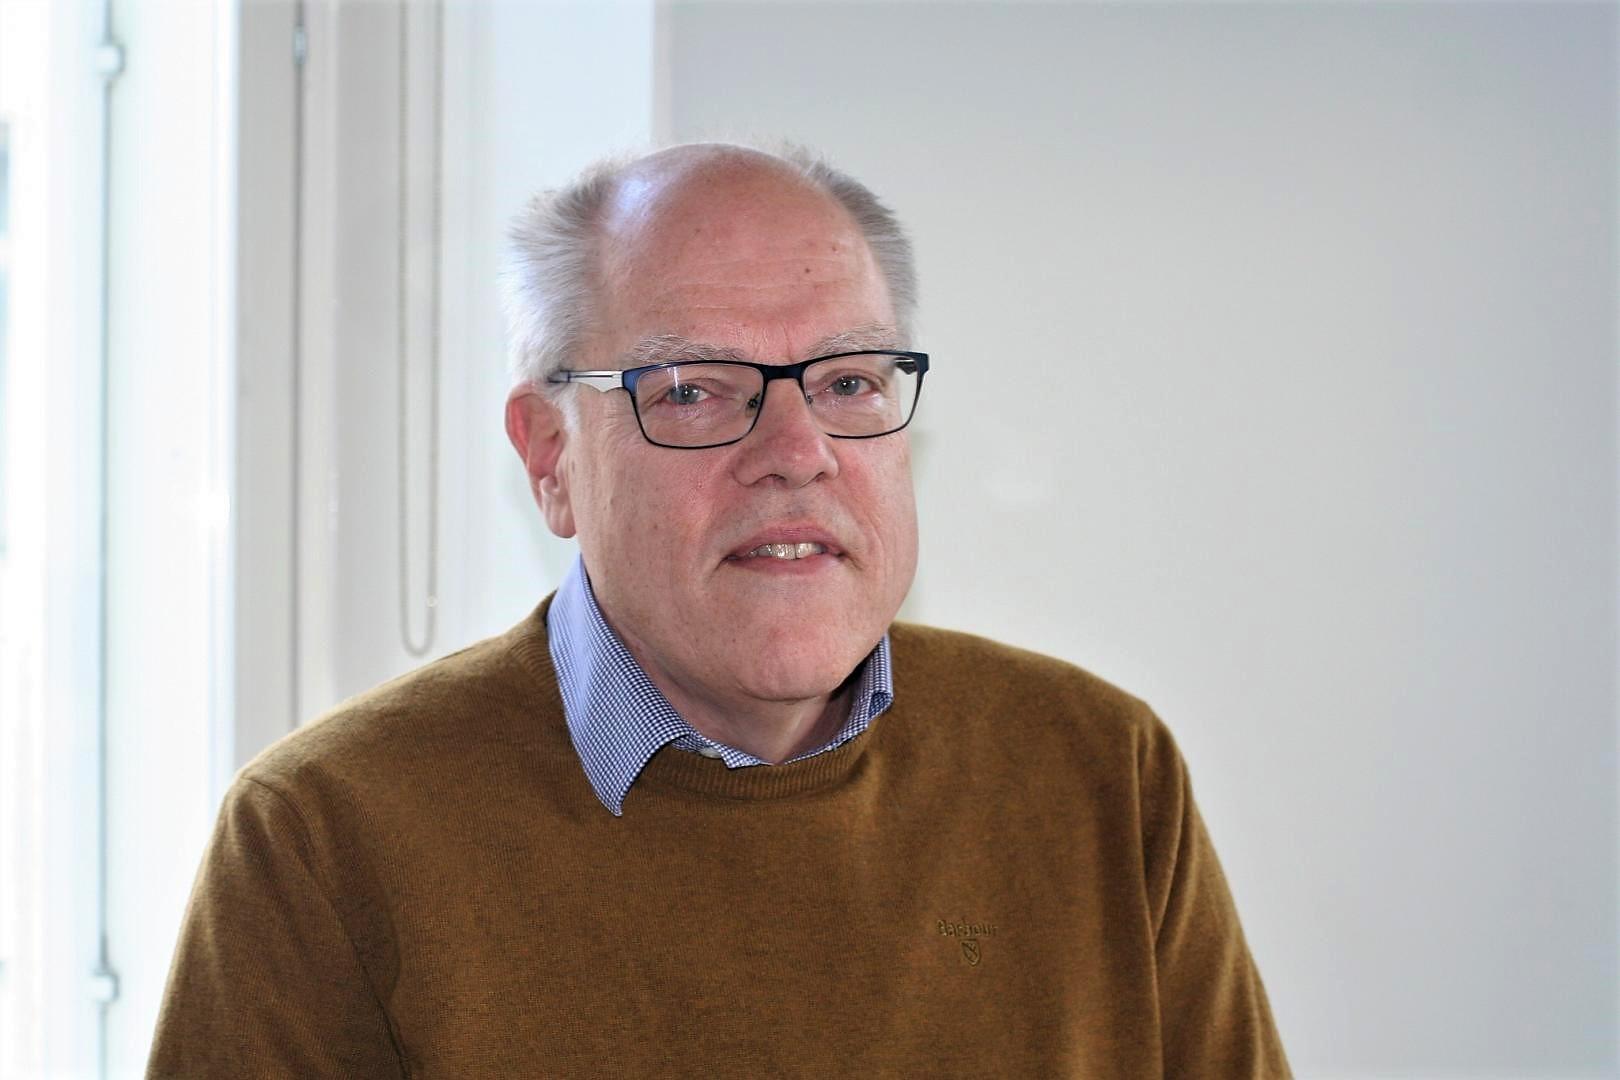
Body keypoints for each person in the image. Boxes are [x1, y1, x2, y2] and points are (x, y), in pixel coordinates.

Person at [148, 143, 1289, 1077]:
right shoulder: (323, 840)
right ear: (550, 456)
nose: (796, 451)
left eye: (849, 382)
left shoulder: (1098, 771)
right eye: (693, 390)